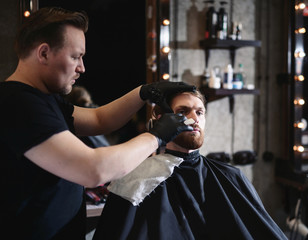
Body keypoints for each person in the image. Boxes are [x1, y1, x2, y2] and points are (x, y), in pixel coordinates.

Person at [0, 7, 195, 240]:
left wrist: (144, 93)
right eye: (76, 57)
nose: (82, 68)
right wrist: (156, 136)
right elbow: (94, 170)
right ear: (43, 53)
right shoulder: (18, 104)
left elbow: (99, 119)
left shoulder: (44, 100)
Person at [93, 90, 288, 240]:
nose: (194, 119)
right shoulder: (136, 179)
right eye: (183, 111)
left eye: (199, 112)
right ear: (161, 120)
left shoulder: (231, 176)